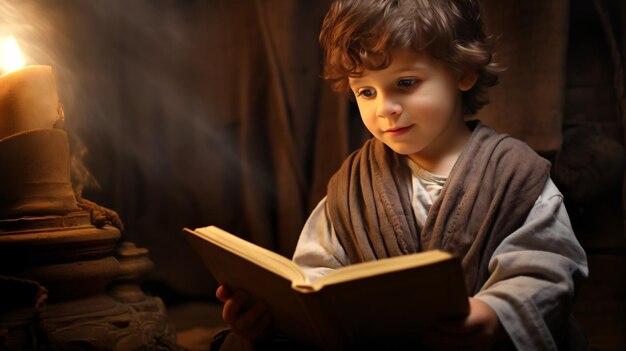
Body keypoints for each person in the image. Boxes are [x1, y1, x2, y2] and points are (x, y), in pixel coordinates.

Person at [215, 0, 589, 349]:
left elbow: (547, 268)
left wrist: (495, 315)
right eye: (365, 91)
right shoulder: (352, 186)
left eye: (406, 83)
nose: (385, 109)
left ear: (463, 72)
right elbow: (316, 279)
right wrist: (269, 319)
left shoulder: (515, 173)